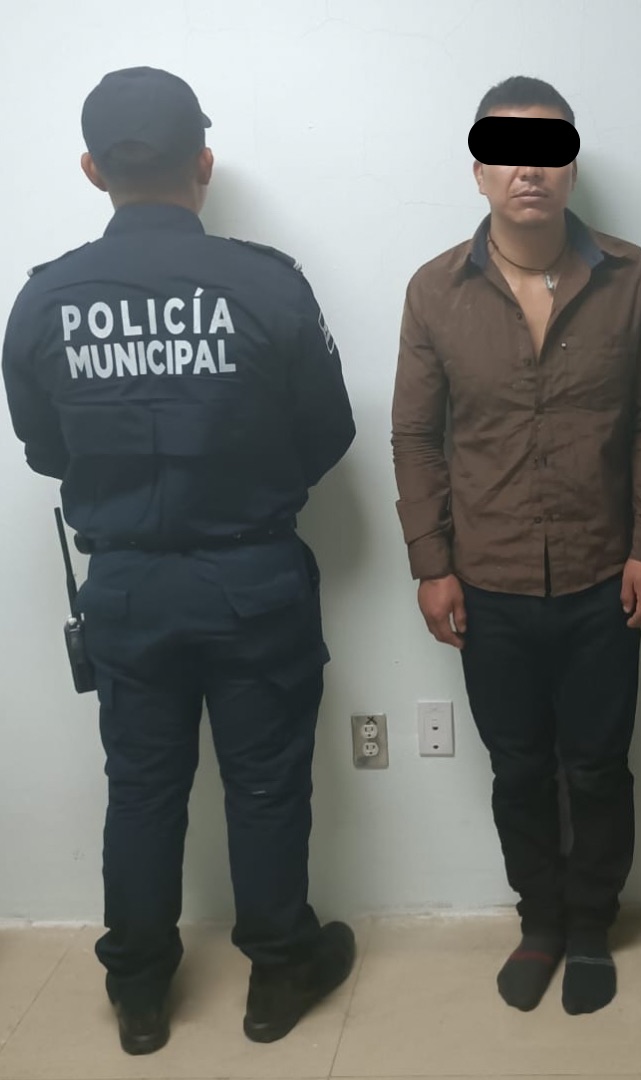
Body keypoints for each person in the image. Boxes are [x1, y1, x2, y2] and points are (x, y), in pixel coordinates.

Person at [1, 67, 358, 1055]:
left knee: (143, 788)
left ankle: (140, 992)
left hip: (125, 589)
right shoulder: (268, 284)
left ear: (92, 170)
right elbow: (328, 433)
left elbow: (45, 449)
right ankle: (279, 973)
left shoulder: (44, 300)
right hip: (252, 580)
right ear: (202, 163)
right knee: (266, 783)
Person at [392, 76, 641, 1015]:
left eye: (549, 148)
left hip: (605, 573)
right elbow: (415, 436)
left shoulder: (631, 277)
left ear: (570, 166)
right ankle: (541, 922)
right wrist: (432, 563)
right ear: (479, 170)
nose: (529, 168)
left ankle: (592, 923)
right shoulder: (435, 292)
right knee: (518, 768)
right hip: (489, 581)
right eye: (507, 150)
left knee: (598, 765)